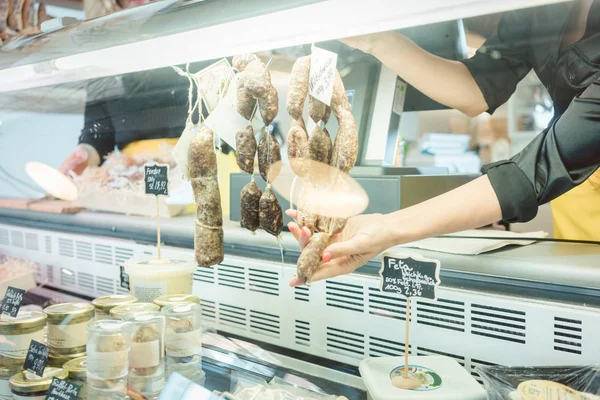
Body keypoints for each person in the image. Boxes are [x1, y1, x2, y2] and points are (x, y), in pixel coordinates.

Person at [287, 0, 600, 286]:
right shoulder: (537, 8)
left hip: (567, 172)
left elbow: (539, 168)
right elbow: (476, 88)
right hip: (575, 199)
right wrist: (373, 39)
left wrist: (387, 229)